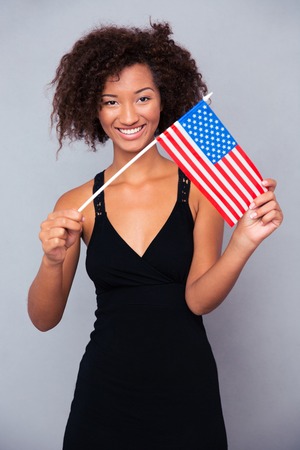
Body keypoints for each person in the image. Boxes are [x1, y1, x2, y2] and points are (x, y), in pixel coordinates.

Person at [28, 22, 283, 450]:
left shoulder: (204, 184)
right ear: (94, 108)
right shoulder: (77, 202)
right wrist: (52, 261)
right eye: (111, 102)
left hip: (186, 388)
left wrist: (243, 242)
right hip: (105, 390)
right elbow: (43, 318)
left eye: (142, 98)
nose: (128, 116)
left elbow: (197, 300)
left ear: (164, 100)